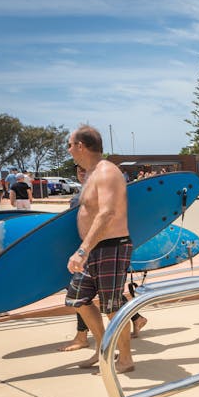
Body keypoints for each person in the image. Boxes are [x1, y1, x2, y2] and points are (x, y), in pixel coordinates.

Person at [64, 125, 135, 373]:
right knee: (77, 299)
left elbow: (107, 214)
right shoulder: (91, 173)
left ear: (81, 146)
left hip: (111, 246)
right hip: (94, 248)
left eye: (70, 144)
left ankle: (125, 359)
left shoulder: (106, 171)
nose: (69, 150)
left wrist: (82, 251)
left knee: (113, 306)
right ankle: (103, 349)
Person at [60, 165, 147, 352]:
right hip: (86, 253)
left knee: (109, 301)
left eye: (86, 170)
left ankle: (116, 352)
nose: (82, 173)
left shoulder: (106, 193)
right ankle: (131, 321)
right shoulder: (78, 197)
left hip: (105, 250)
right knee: (80, 296)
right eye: (79, 171)